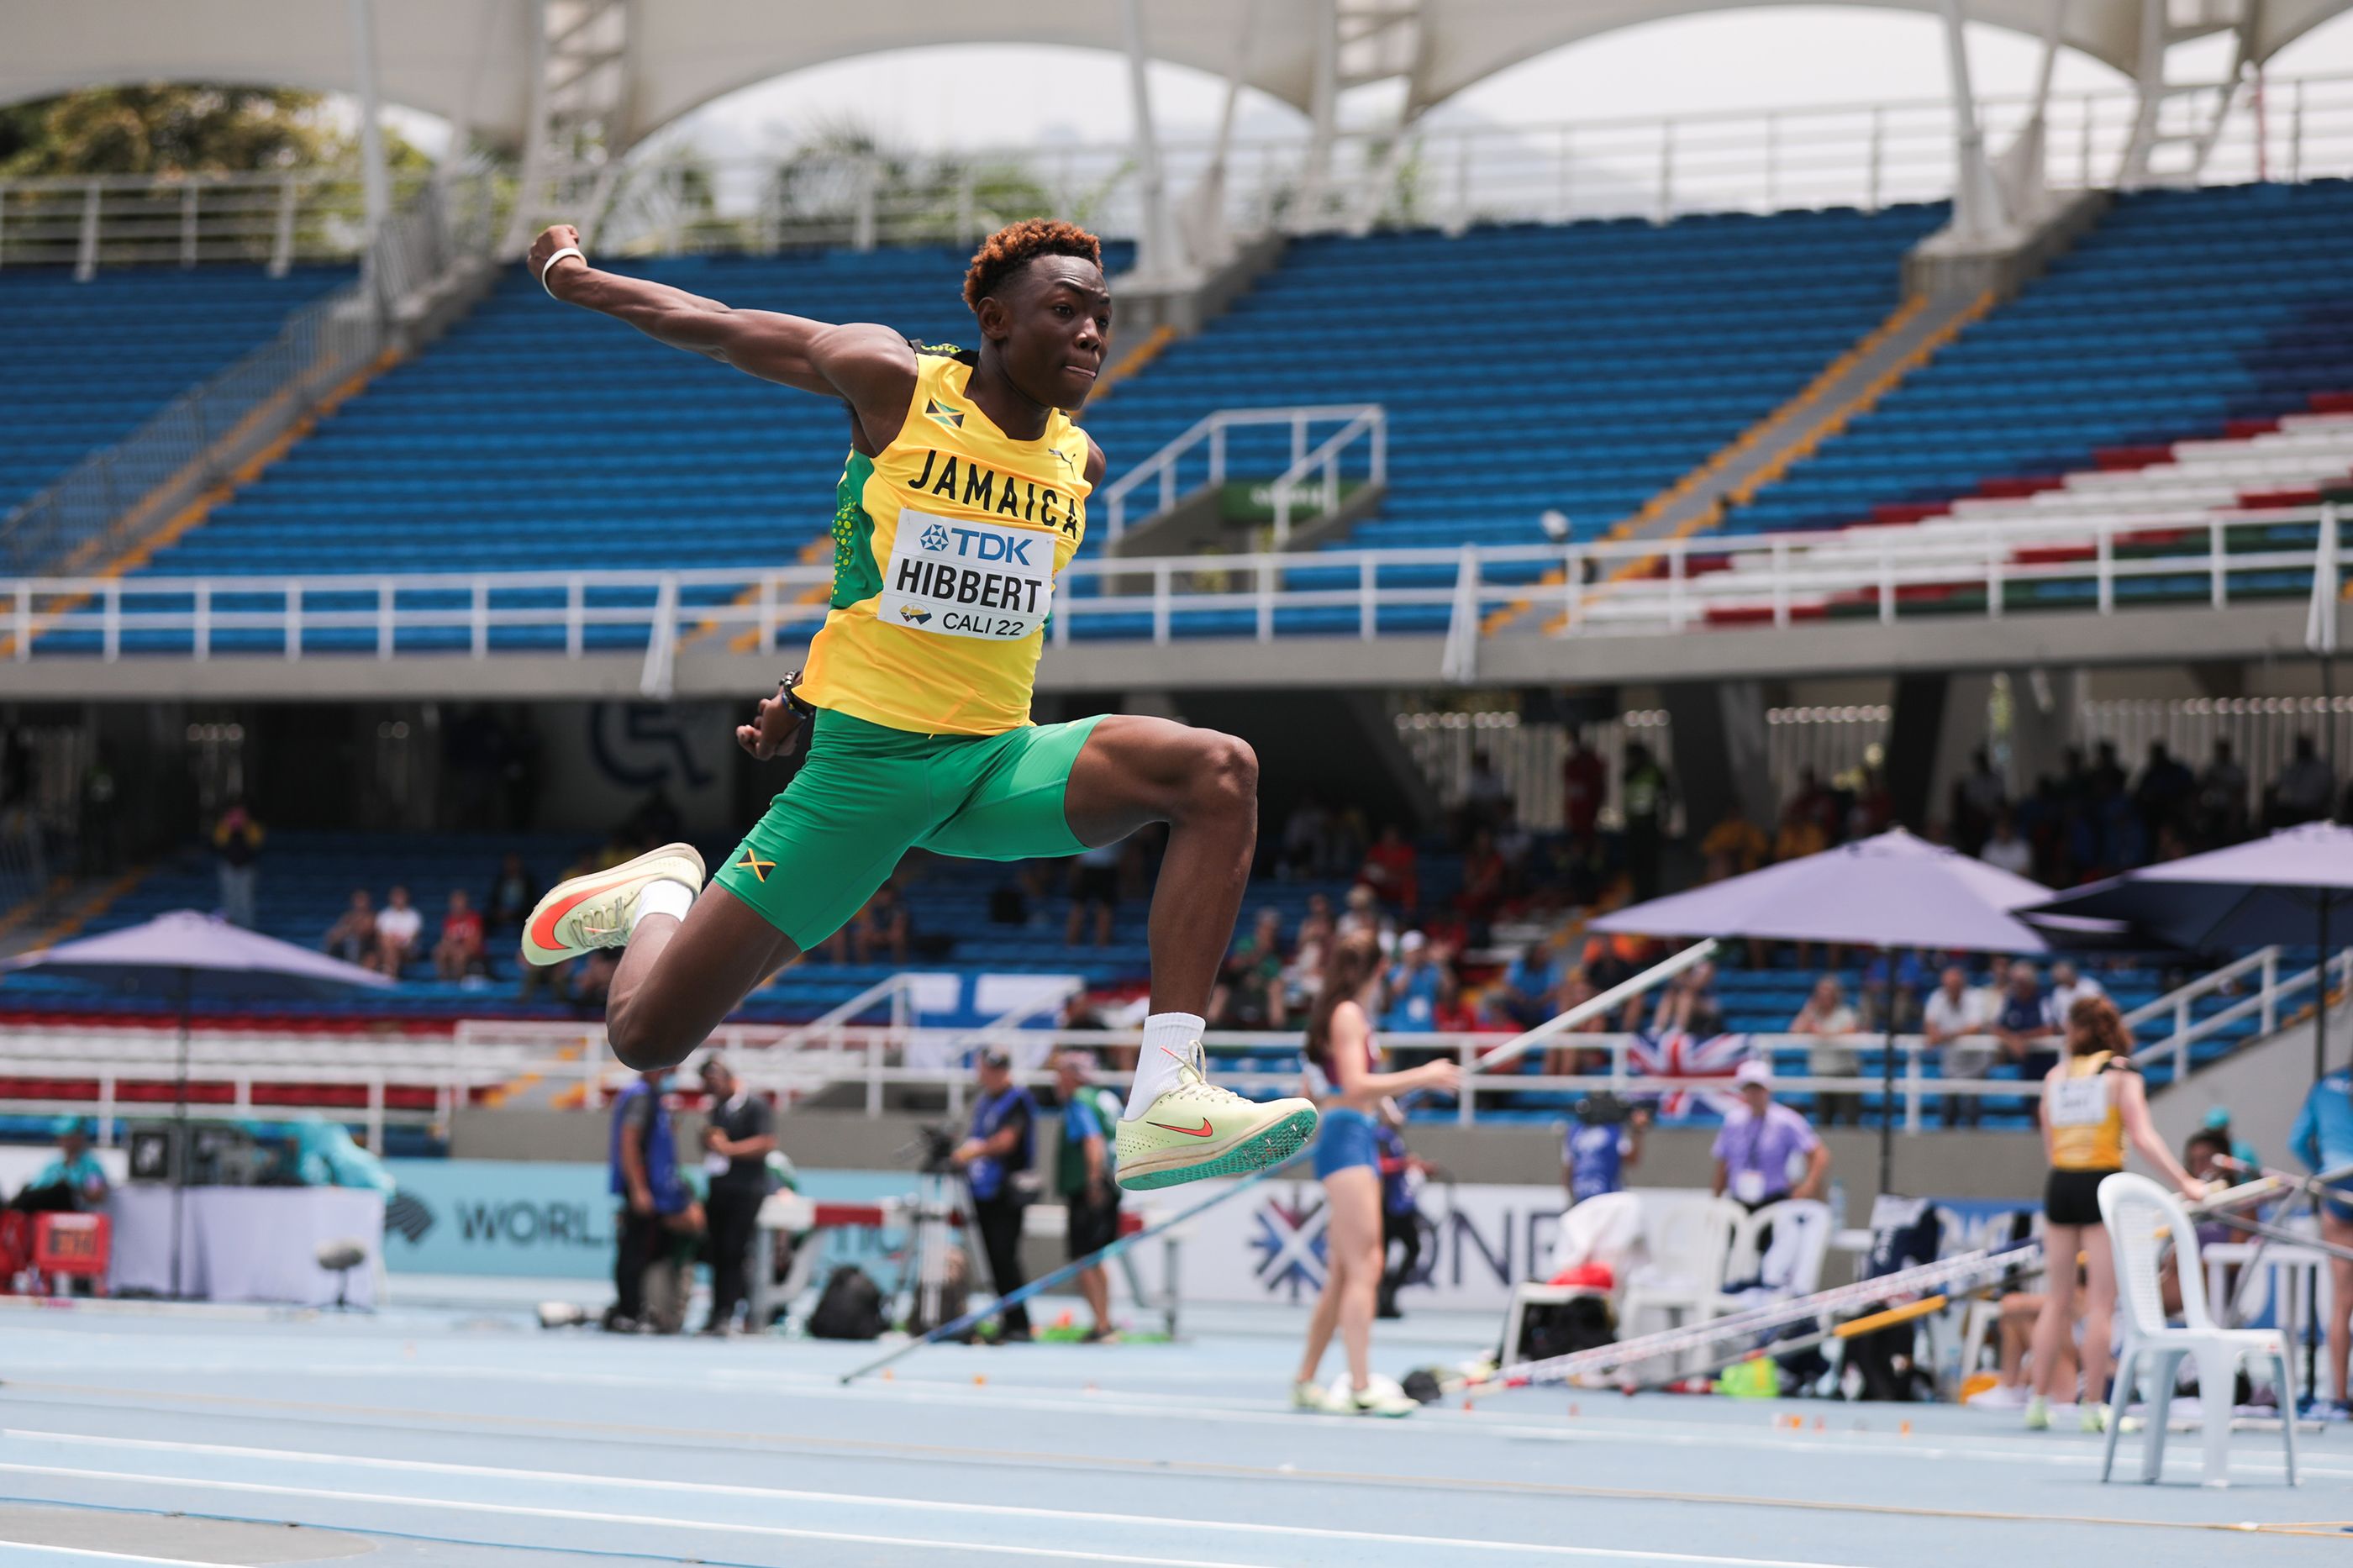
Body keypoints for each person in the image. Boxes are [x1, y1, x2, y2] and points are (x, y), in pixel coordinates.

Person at [514, 217, 1315, 1193]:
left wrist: (799, 690)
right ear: (993, 319)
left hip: (994, 765)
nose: (1092, 335)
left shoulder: (1080, 464)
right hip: (867, 778)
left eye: (1103, 317)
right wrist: (575, 279)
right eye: (1065, 311)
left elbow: (928, 601)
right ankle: (658, 899)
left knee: (1218, 769)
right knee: (646, 1037)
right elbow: (717, 323)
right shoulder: (891, 382)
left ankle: (1166, 1095)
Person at [1292, 929, 1458, 1415]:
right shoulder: (1348, 1014)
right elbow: (1352, 1082)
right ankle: (1361, 1385)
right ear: (1379, 969)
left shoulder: (1346, 1015)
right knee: (1368, 1264)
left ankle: (1306, 1379)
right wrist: (1423, 1075)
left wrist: (1382, 1103)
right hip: (1346, 1141)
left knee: (1345, 1273)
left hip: (1352, 1134)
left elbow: (1337, 1085)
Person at [2024, 995, 2202, 1433]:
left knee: (2057, 1299)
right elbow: (2142, 1136)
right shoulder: (2121, 1073)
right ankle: (2093, 1407)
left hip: (2061, 1184)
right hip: (2102, 1185)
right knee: (2102, 1303)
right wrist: (2185, 1183)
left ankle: (2037, 1403)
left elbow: (2050, 1148)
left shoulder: (2054, 1077)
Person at [952, 1047, 1038, 1341]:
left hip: (1005, 1192)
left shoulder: (1017, 1100)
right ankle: (1007, 1319)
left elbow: (1007, 1141)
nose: (988, 1074)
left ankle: (1018, 1323)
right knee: (991, 1259)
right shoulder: (985, 1101)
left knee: (1004, 1258)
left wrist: (976, 1150)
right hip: (983, 1192)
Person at [608, 1068, 700, 1334]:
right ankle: (628, 1311)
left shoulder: (655, 1097)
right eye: (670, 1069)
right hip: (644, 1188)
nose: (674, 1073)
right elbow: (629, 1142)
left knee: (649, 1251)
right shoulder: (640, 1097)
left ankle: (642, 1308)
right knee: (634, 1251)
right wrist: (638, 1189)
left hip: (657, 1190)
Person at [696, 1055, 776, 1336]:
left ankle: (731, 1313)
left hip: (745, 1191)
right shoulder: (718, 1107)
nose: (710, 1088)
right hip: (719, 1188)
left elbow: (766, 1142)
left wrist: (729, 1149)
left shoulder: (754, 1105)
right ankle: (718, 1311)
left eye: (713, 1081)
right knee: (716, 1253)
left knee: (734, 1251)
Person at [2290, 1061, 2353, 1418]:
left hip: (2337, 1183)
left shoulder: (2324, 1086)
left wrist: (2322, 1173)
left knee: (2343, 1303)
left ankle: (2341, 1397)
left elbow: (2296, 1140)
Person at [1054, 1050, 1125, 1342]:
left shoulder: (1080, 1102)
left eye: (1060, 1073)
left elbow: (1092, 1141)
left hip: (1091, 1186)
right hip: (1113, 1181)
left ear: (1072, 1075)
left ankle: (1102, 1324)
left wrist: (1094, 1181)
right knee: (1096, 1257)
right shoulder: (1106, 1098)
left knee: (1084, 1257)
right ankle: (1104, 1320)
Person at [1711, 1061, 1829, 1210]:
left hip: (1774, 1200)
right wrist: (1715, 1200)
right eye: (1749, 1088)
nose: (1754, 1094)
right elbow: (1723, 1164)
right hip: (1738, 1199)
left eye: (1758, 1088)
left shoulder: (1786, 1120)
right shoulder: (1733, 1121)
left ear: (1768, 1089)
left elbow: (1819, 1154)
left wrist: (1809, 1186)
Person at [1372, 1106, 1431, 1319]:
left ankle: (1387, 1294)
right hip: (1388, 1205)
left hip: (1399, 1204)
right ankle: (1384, 1296)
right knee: (1401, 1251)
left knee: (1406, 1251)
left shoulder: (1394, 1137)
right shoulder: (1382, 1136)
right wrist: (1403, 1164)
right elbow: (1377, 1165)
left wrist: (1416, 1166)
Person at [1923, 964, 1992, 1127]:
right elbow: (1929, 1024)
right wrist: (1935, 1034)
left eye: (1955, 985)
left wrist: (1945, 1036)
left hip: (1975, 1064)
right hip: (1951, 1064)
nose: (1952, 989)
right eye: (1949, 986)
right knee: (1948, 1110)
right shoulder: (1938, 997)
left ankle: (1975, 1148)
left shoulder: (1975, 997)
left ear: (1962, 984)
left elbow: (1975, 1027)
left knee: (1972, 1109)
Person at [1792, 976, 1861, 1128]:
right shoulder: (1812, 1015)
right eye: (1821, 994)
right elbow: (1794, 1031)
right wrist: (1809, 1010)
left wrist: (1820, 1033)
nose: (1824, 998)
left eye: (1828, 994)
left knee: (1850, 1121)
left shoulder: (1845, 1013)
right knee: (1824, 1122)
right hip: (1822, 1073)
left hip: (1845, 1073)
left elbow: (1849, 1033)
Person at [1992, 964, 2060, 1118]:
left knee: (2048, 1104)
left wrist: (2022, 1038)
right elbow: (1997, 1028)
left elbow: (2049, 1029)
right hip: (2028, 1063)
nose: (2017, 986)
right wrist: (2012, 1040)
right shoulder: (2012, 1001)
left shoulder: (2043, 1000)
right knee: (2031, 1104)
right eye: (2015, 982)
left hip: (2047, 1063)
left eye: (2020, 983)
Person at [1564, 1094, 1646, 1206]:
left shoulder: (1614, 1131)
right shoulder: (1576, 1132)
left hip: (1607, 1196)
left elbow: (1631, 1159)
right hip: (1584, 1196)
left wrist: (1637, 1131)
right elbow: (1569, 1170)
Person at [14, 1119, 108, 1213]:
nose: (66, 1142)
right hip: (49, 1209)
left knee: (62, 1190)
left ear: (80, 1137)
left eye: (70, 1137)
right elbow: (37, 1187)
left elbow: (96, 1194)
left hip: (76, 1210)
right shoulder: (53, 1165)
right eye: (63, 1137)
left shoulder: (91, 1166)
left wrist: (77, 1192)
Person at [1621, 743, 1671, 902]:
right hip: (1633, 825)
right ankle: (1639, 895)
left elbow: (1666, 797)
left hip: (1649, 824)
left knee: (1649, 865)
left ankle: (1650, 897)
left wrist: (1665, 821)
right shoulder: (1630, 774)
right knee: (1636, 864)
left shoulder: (1654, 772)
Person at [212, 802, 264, 929]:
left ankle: (247, 929)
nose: (237, 817)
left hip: (246, 867)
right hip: (228, 866)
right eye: (234, 814)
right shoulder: (224, 827)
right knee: (229, 898)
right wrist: (228, 827)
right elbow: (218, 843)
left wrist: (244, 828)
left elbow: (256, 844)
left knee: (245, 900)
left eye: (240, 814)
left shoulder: (252, 827)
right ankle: (230, 928)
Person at [1066, 840, 1121, 948]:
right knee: (1081, 906)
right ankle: (1072, 943)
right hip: (1093, 866)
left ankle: (1101, 944)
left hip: (1104, 866)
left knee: (1102, 907)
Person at [434, 889, 487, 981]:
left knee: (459, 954)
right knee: (439, 951)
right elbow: (445, 939)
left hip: (473, 950)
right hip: (455, 948)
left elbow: (476, 940)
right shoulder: (449, 919)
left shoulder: (475, 918)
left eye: (460, 903)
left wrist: (459, 944)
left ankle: (458, 981)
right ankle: (443, 980)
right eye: (455, 903)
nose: (458, 906)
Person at [485, 853, 539, 942]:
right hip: (502, 912)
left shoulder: (528, 881)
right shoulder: (500, 880)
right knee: (487, 918)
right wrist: (501, 911)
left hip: (521, 912)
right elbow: (493, 899)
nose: (511, 866)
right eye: (509, 863)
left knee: (529, 918)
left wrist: (514, 912)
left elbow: (531, 900)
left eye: (514, 863)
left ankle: (525, 944)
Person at [373, 885, 423, 978]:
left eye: (401, 896)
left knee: (392, 951)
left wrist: (396, 945)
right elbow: (380, 938)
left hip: (408, 951)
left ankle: (390, 979)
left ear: (407, 897)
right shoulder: (384, 915)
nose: (399, 899)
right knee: (370, 960)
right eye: (396, 896)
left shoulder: (414, 916)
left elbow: (413, 940)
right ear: (391, 898)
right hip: (387, 949)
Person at [324, 890, 375, 966]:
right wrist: (338, 934)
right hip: (344, 943)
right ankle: (325, 962)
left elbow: (364, 932)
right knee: (330, 935)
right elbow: (338, 930)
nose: (360, 903)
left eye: (362, 900)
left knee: (352, 940)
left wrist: (348, 930)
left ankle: (352, 966)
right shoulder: (348, 916)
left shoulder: (372, 916)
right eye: (358, 900)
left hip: (365, 947)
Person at [1977, 812, 2035, 877]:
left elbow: (2025, 872)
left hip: (2017, 884)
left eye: (2006, 827)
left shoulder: (2023, 847)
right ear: (1996, 829)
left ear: (2012, 829)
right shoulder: (1989, 848)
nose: (2004, 831)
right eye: (2001, 827)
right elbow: (1984, 872)